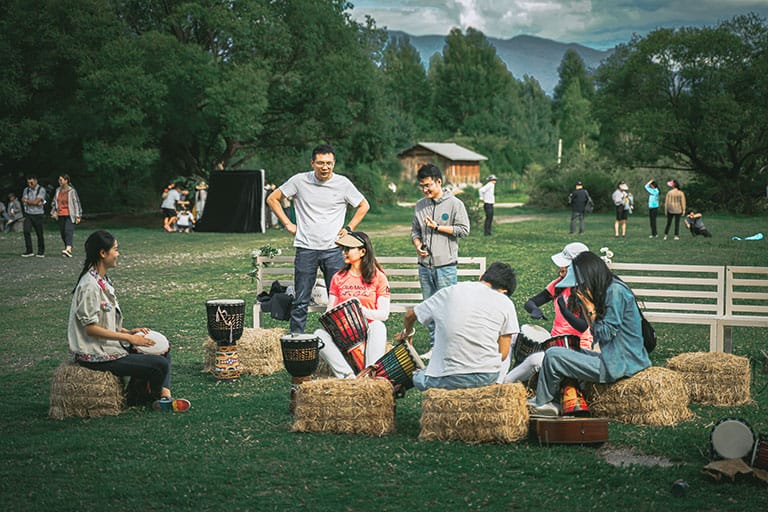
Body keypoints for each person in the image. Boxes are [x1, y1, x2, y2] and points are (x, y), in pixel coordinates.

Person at [68, 230, 190, 412]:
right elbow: (91, 329)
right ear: (103, 253)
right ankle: (150, 397)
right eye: (115, 250)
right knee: (160, 364)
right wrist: (130, 340)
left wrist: (128, 332)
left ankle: (163, 397)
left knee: (163, 350)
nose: (118, 254)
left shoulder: (102, 281)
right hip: (96, 356)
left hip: (109, 348)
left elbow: (105, 323)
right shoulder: (89, 286)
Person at [529, 251, 651, 416]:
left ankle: (542, 403)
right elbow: (595, 333)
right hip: (617, 359)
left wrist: (591, 309)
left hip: (620, 365)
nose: (579, 286)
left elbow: (605, 334)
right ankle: (555, 399)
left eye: (580, 281)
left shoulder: (615, 292)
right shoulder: (610, 288)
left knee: (552, 355)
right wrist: (587, 308)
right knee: (568, 351)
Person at [267, 144, 370, 333]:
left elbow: (364, 205)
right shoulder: (299, 181)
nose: (325, 167)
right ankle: (297, 340)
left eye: (329, 163)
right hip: (306, 248)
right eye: (321, 163)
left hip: (334, 249)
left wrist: (349, 228)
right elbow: (273, 198)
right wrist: (288, 224)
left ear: (334, 164)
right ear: (312, 163)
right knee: (301, 299)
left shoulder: (343, 184)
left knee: (340, 299)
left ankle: (342, 338)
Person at [396, 261, 518, 391]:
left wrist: (407, 333)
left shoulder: (449, 292)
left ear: (481, 276)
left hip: (446, 376)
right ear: (504, 291)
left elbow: (410, 315)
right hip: (487, 376)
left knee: (418, 376)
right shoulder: (506, 302)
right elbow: (503, 354)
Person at [505, 242, 592, 383]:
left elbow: (583, 326)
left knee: (534, 362)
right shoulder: (558, 285)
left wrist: (564, 310)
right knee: (513, 339)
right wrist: (534, 309)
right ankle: (505, 383)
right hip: (554, 342)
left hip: (578, 346)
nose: (560, 269)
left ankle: (506, 384)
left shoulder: (586, 290)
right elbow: (530, 302)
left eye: (565, 267)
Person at [410, 163, 470, 357]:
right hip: (425, 267)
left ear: (438, 182)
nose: (425, 190)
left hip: (446, 267)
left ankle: (450, 347)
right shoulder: (420, 206)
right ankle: (435, 346)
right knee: (430, 308)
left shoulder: (454, 204)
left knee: (447, 309)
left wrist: (438, 227)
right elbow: (415, 231)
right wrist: (417, 244)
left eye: (428, 185)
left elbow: (464, 230)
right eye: (422, 186)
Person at [314, 232, 390, 378]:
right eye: (343, 249)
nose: (344, 253)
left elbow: (383, 314)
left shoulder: (378, 277)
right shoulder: (338, 278)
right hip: (344, 333)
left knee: (379, 326)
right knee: (318, 335)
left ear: (362, 252)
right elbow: (331, 309)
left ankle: (369, 374)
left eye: (348, 249)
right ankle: (347, 376)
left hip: (368, 330)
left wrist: (358, 311)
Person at [50, 174, 83, 257]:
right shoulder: (58, 190)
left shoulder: (72, 191)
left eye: (61, 180)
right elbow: (54, 202)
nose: (59, 182)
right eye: (59, 180)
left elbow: (76, 203)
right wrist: (54, 211)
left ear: (66, 180)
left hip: (70, 214)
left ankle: (68, 248)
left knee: (68, 230)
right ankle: (67, 249)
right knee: (63, 233)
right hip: (60, 214)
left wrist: (78, 216)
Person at [21, 175, 47, 257]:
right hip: (28, 213)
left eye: (31, 182)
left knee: (39, 233)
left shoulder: (41, 190)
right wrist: (33, 202)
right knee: (26, 231)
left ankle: (41, 251)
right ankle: (29, 250)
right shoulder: (26, 190)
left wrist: (28, 201)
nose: (30, 184)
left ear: (36, 181)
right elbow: (23, 200)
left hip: (38, 214)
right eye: (28, 183)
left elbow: (36, 201)